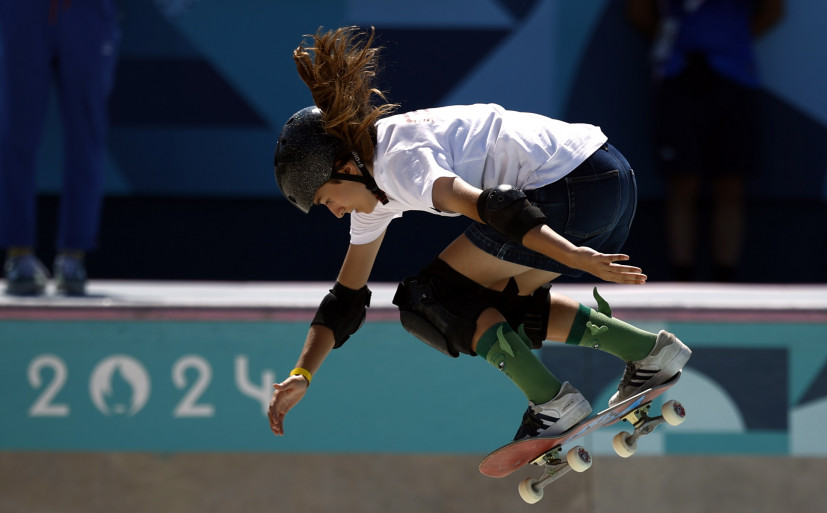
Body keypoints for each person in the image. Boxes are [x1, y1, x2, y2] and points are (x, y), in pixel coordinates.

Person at [267, 26, 691, 441]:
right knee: (490, 308)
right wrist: (301, 374)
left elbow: (496, 207)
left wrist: (573, 255)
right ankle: (649, 352)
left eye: (328, 200)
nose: (338, 213)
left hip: (570, 188)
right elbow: (346, 299)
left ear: (343, 167)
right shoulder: (375, 181)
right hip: (608, 181)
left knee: (430, 298)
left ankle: (552, 404)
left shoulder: (399, 163)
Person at [625, 0, 783, 282]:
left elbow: (773, 9)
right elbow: (639, 11)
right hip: (678, 76)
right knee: (682, 180)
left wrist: (727, 42)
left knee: (731, 181)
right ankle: (682, 277)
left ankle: (725, 277)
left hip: (734, 78)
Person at [0, 0, 120, 295]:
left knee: (86, 138)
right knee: (15, 136)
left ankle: (73, 256)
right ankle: (18, 254)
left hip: (87, 11)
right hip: (23, 10)